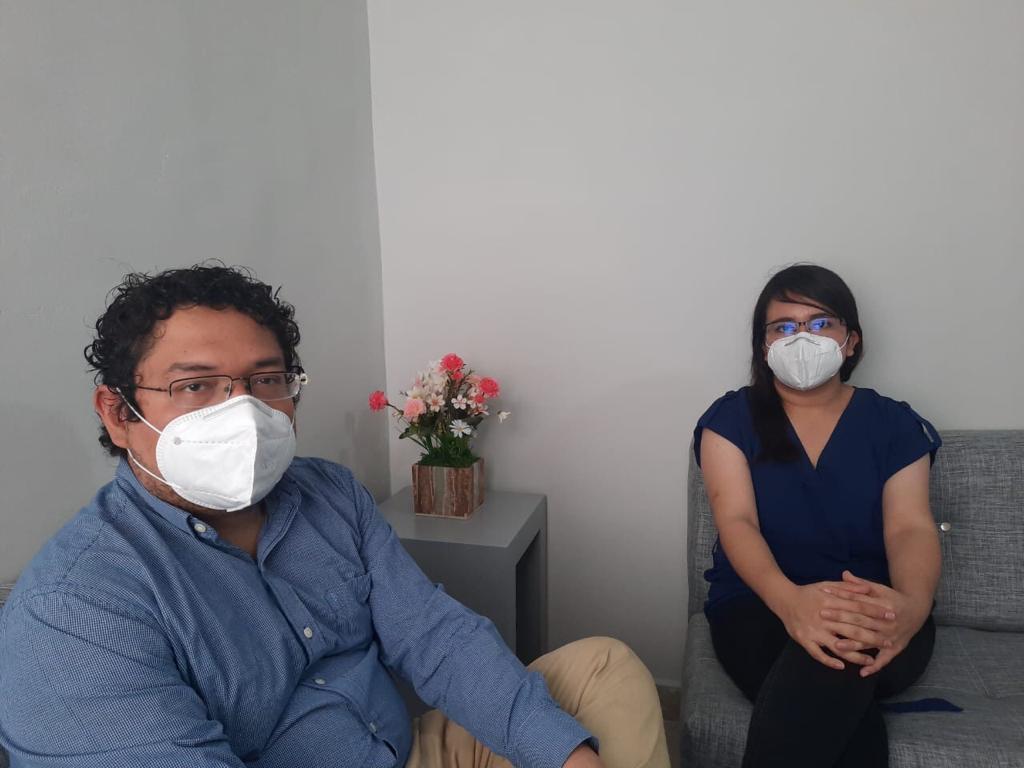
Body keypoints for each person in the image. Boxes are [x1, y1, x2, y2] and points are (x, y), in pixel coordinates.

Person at [0, 265, 669, 768]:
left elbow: (434, 635)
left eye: (266, 380)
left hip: (410, 749)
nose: (242, 411)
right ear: (119, 414)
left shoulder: (329, 493)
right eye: (195, 385)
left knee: (603, 668)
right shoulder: (74, 613)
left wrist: (565, 757)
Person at [694, 264, 941, 768]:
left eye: (820, 323)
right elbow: (736, 522)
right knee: (833, 678)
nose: (801, 337)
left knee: (837, 652)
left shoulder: (893, 424)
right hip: (758, 604)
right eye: (783, 327)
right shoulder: (731, 420)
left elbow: (910, 527)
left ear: (851, 341)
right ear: (764, 346)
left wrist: (912, 608)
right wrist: (790, 603)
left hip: (874, 603)